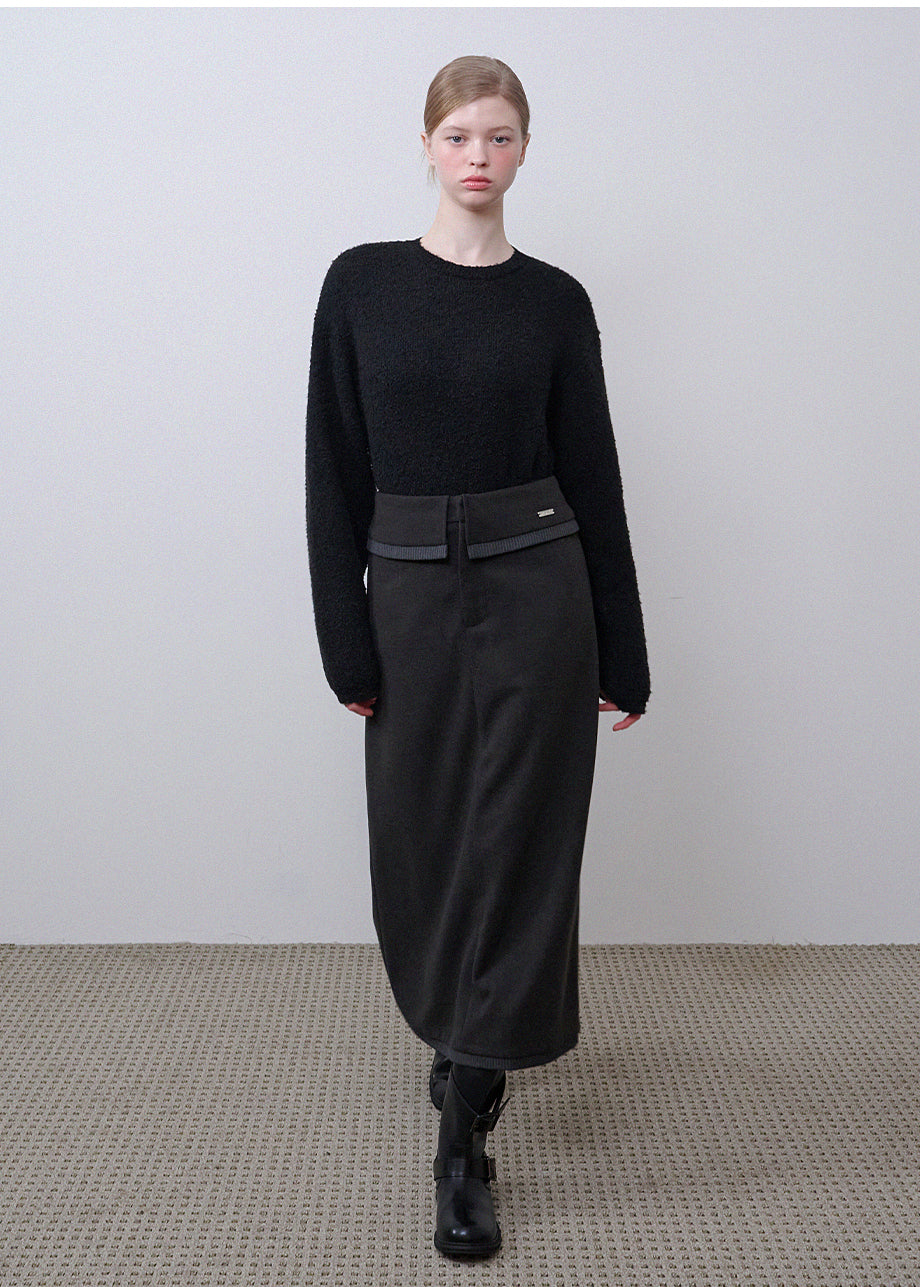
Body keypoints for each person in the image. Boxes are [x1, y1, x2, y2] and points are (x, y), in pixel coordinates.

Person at [305, 54, 650, 1259]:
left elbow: (592, 471)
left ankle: (463, 1125)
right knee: (425, 833)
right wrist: (343, 638)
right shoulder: (360, 284)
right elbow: (331, 467)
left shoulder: (551, 301)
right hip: (404, 590)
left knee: (520, 835)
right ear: (426, 145)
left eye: (499, 137)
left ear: (522, 151)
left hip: (537, 586)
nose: (478, 157)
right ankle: (457, 1033)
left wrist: (623, 647)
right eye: (458, 135)